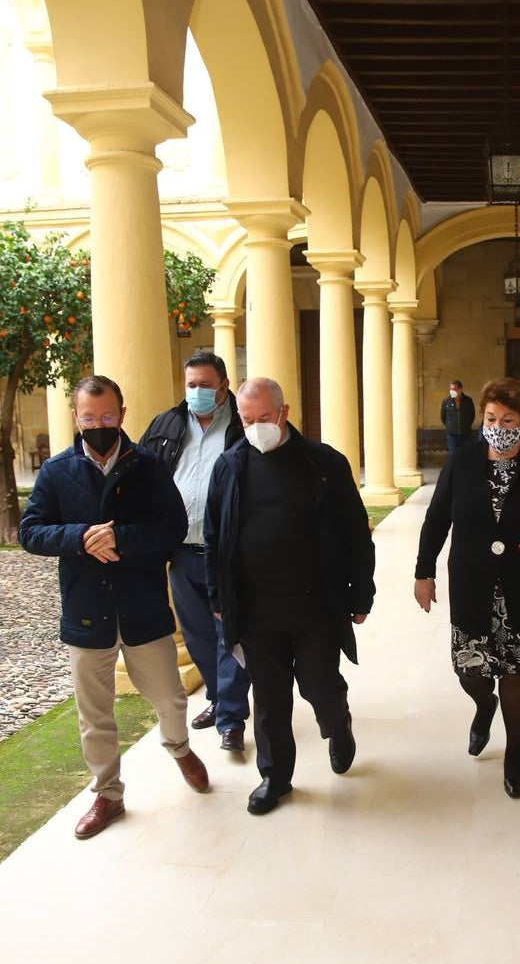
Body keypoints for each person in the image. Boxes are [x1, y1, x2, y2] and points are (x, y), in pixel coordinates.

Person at [19, 375, 209, 839]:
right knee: (94, 712)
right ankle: (108, 794)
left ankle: (179, 746)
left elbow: (172, 526)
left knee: (169, 696)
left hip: (142, 606)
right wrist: (80, 537)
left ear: (122, 415)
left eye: (106, 417)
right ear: (76, 418)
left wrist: (120, 537)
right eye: (89, 418)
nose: (98, 425)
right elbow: (31, 531)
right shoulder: (57, 470)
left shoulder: (147, 465)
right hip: (86, 610)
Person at [204, 377, 375, 816]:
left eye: (264, 418)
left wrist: (362, 592)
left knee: (320, 685)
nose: (256, 427)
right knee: (270, 697)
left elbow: (357, 531)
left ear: (284, 412)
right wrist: (217, 597)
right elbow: (213, 537)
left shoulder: (324, 463)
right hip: (257, 607)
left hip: (316, 603)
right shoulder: (230, 466)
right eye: (247, 420)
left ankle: (338, 725)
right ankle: (275, 777)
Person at [415, 377, 520, 799]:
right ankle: (483, 706)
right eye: (491, 418)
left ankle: (514, 752)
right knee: (471, 672)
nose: (498, 426)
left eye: (508, 419)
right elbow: (437, 519)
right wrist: (424, 571)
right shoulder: (462, 461)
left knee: (516, 671)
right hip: (474, 583)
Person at [142, 350, 250, 755]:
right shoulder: (166, 425)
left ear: (223, 385)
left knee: (232, 635)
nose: (198, 392)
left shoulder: (243, 425)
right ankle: (219, 700)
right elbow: (144, 476)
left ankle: (232, 719)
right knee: (198, 635)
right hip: (182, 551)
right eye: (191, 385)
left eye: (206, 385)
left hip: (230, 552)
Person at [440, 379, 476, 452]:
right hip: (452, 434)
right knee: (453, 456)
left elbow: (472, 415)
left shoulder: (468, 401)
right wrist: (450, 426)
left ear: (460, 389)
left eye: (454, 389)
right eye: (451, 389)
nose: (452, 391)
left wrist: (466, 425)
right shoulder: (446, 401)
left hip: (465, 433)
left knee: (465, 455)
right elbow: (443, 417)